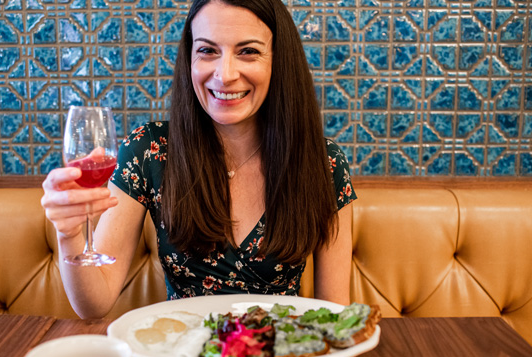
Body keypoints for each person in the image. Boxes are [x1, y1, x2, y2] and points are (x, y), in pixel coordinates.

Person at [41, 0, 357, 319]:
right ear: (190, 58)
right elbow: (94, 305)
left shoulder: (324, 162)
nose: (225, 75)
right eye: (208, 51)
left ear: (279, 61)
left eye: (247, 51)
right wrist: (69, 235)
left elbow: (335, 316)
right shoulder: (148, 150)